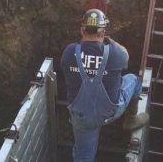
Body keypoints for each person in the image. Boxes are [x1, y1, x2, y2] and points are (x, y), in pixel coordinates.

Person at [60, 9, 149, 162]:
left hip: (81, 117)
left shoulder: (69, 52)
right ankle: (130, 120)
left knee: (83, 157)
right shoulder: (114, 53)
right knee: (133, 80)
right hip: (109, 112)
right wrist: (110, 41)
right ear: (102, 32)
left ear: (82, 30)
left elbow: (66, 68)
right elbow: (126, 56)